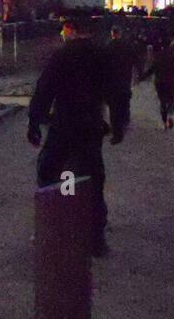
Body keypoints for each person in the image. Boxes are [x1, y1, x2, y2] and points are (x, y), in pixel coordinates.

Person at [28, 13, 127, 257]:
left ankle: (55, 228)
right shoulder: (101, 55)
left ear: (71, 29)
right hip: (90, 127)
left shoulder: (62, 55)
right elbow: (117, 93)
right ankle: (95, 239)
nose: (62, 34)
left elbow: (44, 90)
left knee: (49, 173)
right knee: (93, 179)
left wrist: (34, 121)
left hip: (63, 126)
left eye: (63, 29)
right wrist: (117, 124)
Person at [142, 35, 174, 129]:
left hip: (160, 82)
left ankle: (164, 122)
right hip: (171, 81)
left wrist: (143, 77)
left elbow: (152, 69)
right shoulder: (173, 56)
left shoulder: (158, 56)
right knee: (171, 99)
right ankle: (170, 115)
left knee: (162, 101)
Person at [105, 25, 136, 133]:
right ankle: (124, 120)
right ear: (120, 33)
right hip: (125, 77)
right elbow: (135, 60)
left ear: (112, 34)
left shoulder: (108, 47)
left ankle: (115, 125)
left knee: (113, 104)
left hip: (112, 79)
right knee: (124, 100)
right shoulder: (127, 46)